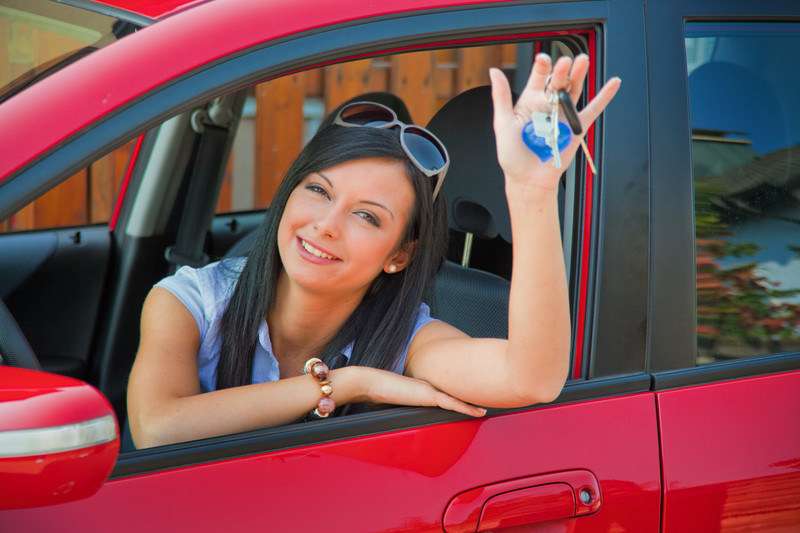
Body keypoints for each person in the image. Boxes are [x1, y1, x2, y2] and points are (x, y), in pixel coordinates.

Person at [127, 53, 621, 449]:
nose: (325, 226)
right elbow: (158, 430)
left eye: (366, 216)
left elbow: (530, 380)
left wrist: (530, 193)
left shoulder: (407, 337)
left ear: (399, 256)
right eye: (318, 191)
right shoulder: (189, 300)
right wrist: (345, 385)